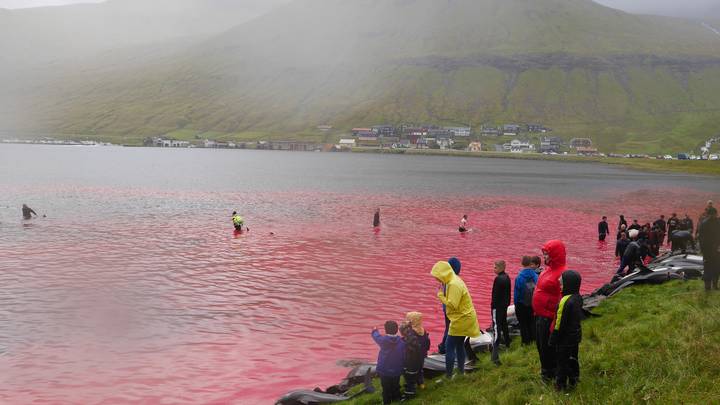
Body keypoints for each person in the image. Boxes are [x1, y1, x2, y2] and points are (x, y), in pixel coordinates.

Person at [431, 261, 480, 378]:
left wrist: (440, 296)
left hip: (461, 319)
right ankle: (461, 372)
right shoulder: (453, 279)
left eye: (437, 277)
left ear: (443, 274)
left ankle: (449, 376)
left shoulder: (453, 284)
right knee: (459, 345)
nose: (437, 280)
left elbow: (453, 305)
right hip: (463, 317)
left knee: (449, 347)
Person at [532, 240, 567, 382]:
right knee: (541, 346)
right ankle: (545, 371)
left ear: (554, 255)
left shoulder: (562, 273)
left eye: (546, 254)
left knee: (548, 349)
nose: (544, 257)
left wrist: (555, 321)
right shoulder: (548, 270)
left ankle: (550, 374)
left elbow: (562, 299)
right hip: (540, 316)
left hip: (549, 318)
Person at [549, 270, 583, 391]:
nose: (560, 287)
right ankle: (574, 380)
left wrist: (553, 338)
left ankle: (560, 385)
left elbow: (559, 322)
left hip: (564, 338)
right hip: (575, 336)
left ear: (568, 285)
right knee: (573, 358)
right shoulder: (578, 297)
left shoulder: (564, 301)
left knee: (562, 362)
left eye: (562, 284)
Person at [372, 321, 405, 404]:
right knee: (396, 385)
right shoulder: (402, 342)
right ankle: (396, 398)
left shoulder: (383, 340)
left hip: (384, 370)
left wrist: (375, 330)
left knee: (386, 388)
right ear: (397, 330)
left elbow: (376, 336)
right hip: (397, 369)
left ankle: (387, 402)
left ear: (386, 330)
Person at [399, 312, 430, 399]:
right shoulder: (423, 330)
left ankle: (410, 392)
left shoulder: (410, 332)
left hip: (412, 358)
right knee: (420, 370)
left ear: (411, 321)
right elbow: (426, 343)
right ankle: (421, 383)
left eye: (408, 319)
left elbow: (401, 330)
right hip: (421, 356)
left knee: (410, 374)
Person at [438, 257, 462, 354]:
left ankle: (444, 346)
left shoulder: (446, 279)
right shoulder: (453, 281)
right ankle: (445, 347)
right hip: (451, 308)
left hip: (446, 307)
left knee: (448, 328)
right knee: (450, 329)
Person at [491, 260, 511, 365]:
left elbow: (495, 295)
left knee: (496, 328)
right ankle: (508, 344)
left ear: (500, 268)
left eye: (494, 267)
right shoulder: (507, 277)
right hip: (504, 307)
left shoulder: (498, 279)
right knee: (504, 325)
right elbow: (507, 294)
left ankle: (494, 353)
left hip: (497, 308)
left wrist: (493, 307)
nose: (493, 269)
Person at [514, 256, 539, 345]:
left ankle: (525, 342)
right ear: (530, 263)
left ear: (522, 263)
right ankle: (533, 339)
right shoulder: (535, 276)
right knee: (532, 322)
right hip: (532, 303)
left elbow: (517, 293)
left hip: (521, 304)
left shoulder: (519, 277)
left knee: (523, 323)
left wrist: (516, 304)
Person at [698, 207, 720, 291]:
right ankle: (709, 286)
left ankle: (712, 285)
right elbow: (702, 238)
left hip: (712, 249)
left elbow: (701, 238)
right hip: (711, 250)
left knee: (713, 267)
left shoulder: (705, 223)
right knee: (712, 267)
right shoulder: (706, 223)